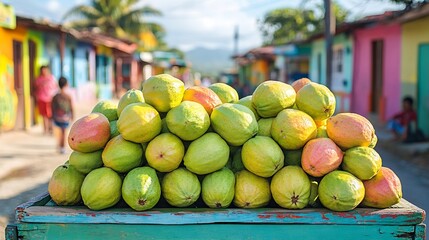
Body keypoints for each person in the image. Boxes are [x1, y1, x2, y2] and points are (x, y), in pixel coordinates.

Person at [51, 77, 74, 154]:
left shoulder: (55, 96)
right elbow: (71, 107)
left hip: (57, 117)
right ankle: (62, 147)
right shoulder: (68, 96)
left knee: (58, 132)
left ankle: (60, 145)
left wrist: (52, 116)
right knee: (64, 132)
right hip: (65, 118)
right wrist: (72, 116)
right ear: (66, 84)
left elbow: (52, 107)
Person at [34, 66, 58, 135]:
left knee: (51, 115)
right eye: (42, 70)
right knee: (44, 115)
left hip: (51, 99)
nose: (44, 72)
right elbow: (36, 88)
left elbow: (56, 87)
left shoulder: (52, 78)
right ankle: (45, 129)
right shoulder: (38, 79)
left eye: (45, 70)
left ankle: (51, 128)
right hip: (42, 99)